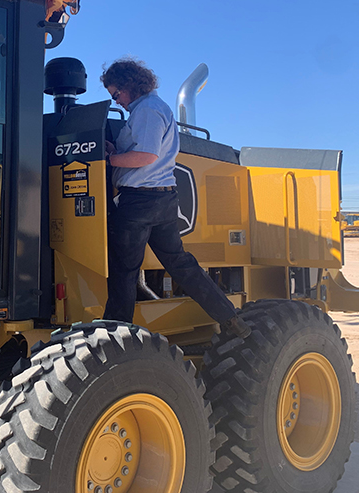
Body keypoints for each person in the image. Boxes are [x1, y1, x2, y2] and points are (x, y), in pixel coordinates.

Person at [101, 58, 251, 339]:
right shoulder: (148, 109)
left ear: (128, 85)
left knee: (123, 270)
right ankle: (230, 319)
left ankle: (113, 336)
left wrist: (109, 159)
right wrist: (116, 148)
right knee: (181, 264)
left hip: (140, 202)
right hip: (163, 200)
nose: (116, 101)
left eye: (115, 94)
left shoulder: (146, 110)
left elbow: (145, 156)